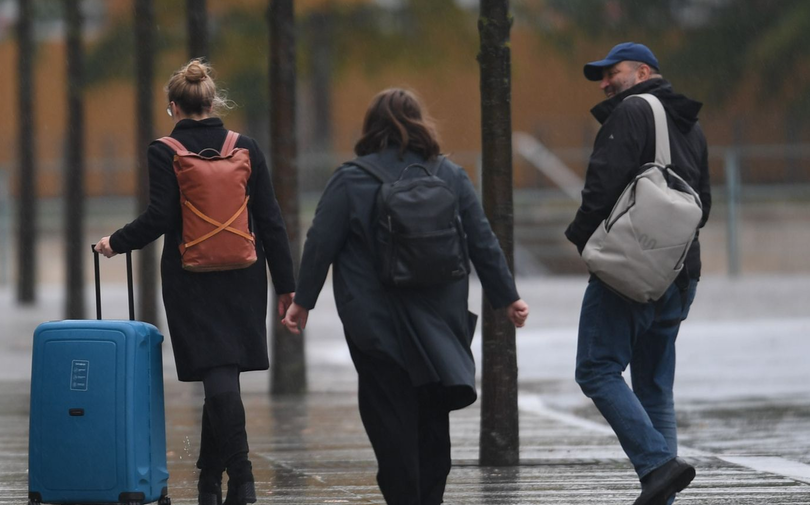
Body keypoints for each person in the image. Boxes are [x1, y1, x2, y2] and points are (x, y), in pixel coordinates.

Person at [282, 88, 529, 505]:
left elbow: (320, 241)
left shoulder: (351, 179)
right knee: (433, 424)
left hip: (377, 327)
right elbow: (482, 240)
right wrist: (508, 297)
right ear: (420, 123)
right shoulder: (449, 176)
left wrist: (302, 301)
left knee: (390, 425)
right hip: (439, 326)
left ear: (371, 127)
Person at [95, 59, 295, 505]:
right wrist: (286, 286)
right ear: (211, 102)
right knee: (221, 372)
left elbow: (161, 217)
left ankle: (242, 479)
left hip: (191, 276)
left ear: (174, 107)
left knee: (216, 370)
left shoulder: (163, 150)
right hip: (244, 274)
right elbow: (271, 220)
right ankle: (208, 480)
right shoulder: (246, 146)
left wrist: (116, 243)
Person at [566, 43, 711, 505]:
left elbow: (601, 187)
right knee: (653, 387)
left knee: (596, 369)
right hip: (680, 272)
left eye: (613, 72)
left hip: (630, 272)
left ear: (643, 71)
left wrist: (584, 241)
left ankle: (657, 465)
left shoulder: (630, 113)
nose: (605, 82)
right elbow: (703, 207)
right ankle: (661, 488)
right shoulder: (691, 126)